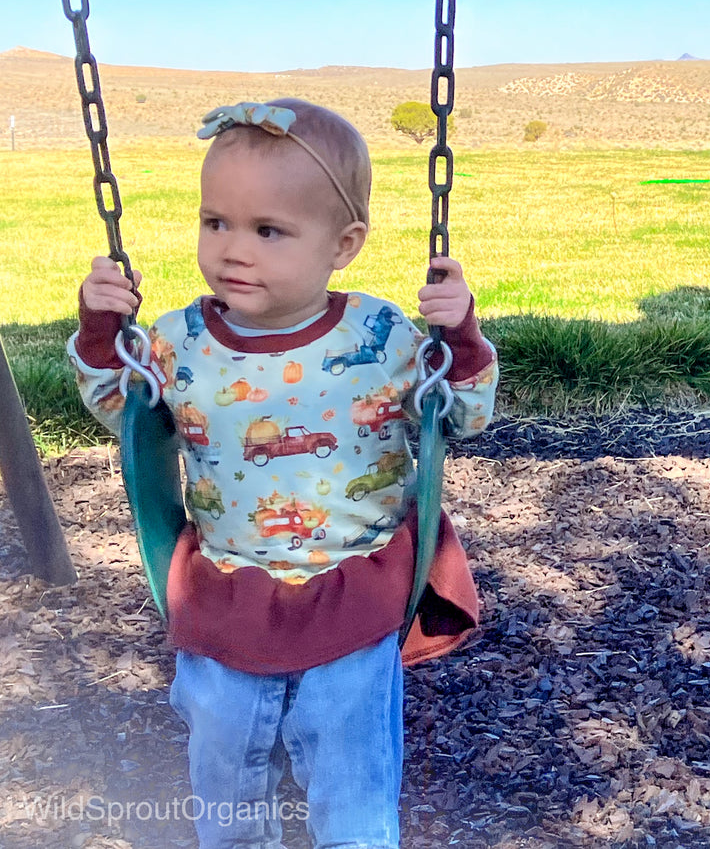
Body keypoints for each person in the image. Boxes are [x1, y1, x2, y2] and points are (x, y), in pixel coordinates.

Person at [69, 99, 499, 849]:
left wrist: (457, 332)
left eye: (268, 231)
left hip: (354, 592)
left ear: (343, 244)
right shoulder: (177, 342)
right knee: (224, 778)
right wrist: (103, 328)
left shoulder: (383, 335)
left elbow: (461, 413)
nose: (234, 250)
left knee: (353, 790)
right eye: (216, 223)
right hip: (225, 591)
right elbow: (120, 406)